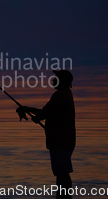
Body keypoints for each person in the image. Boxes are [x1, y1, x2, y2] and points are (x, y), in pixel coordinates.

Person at [17, 70, 76, 199]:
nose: (53, 80)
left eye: (56, 78)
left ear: (63, 81)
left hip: (60, 141)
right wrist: (37, 115)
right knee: (62, 172)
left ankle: (63, 197)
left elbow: (44, 113)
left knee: (62, 173)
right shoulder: (66, 94)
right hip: (64, 140)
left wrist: (27, 109)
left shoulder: (59, 95)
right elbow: (48, 114)